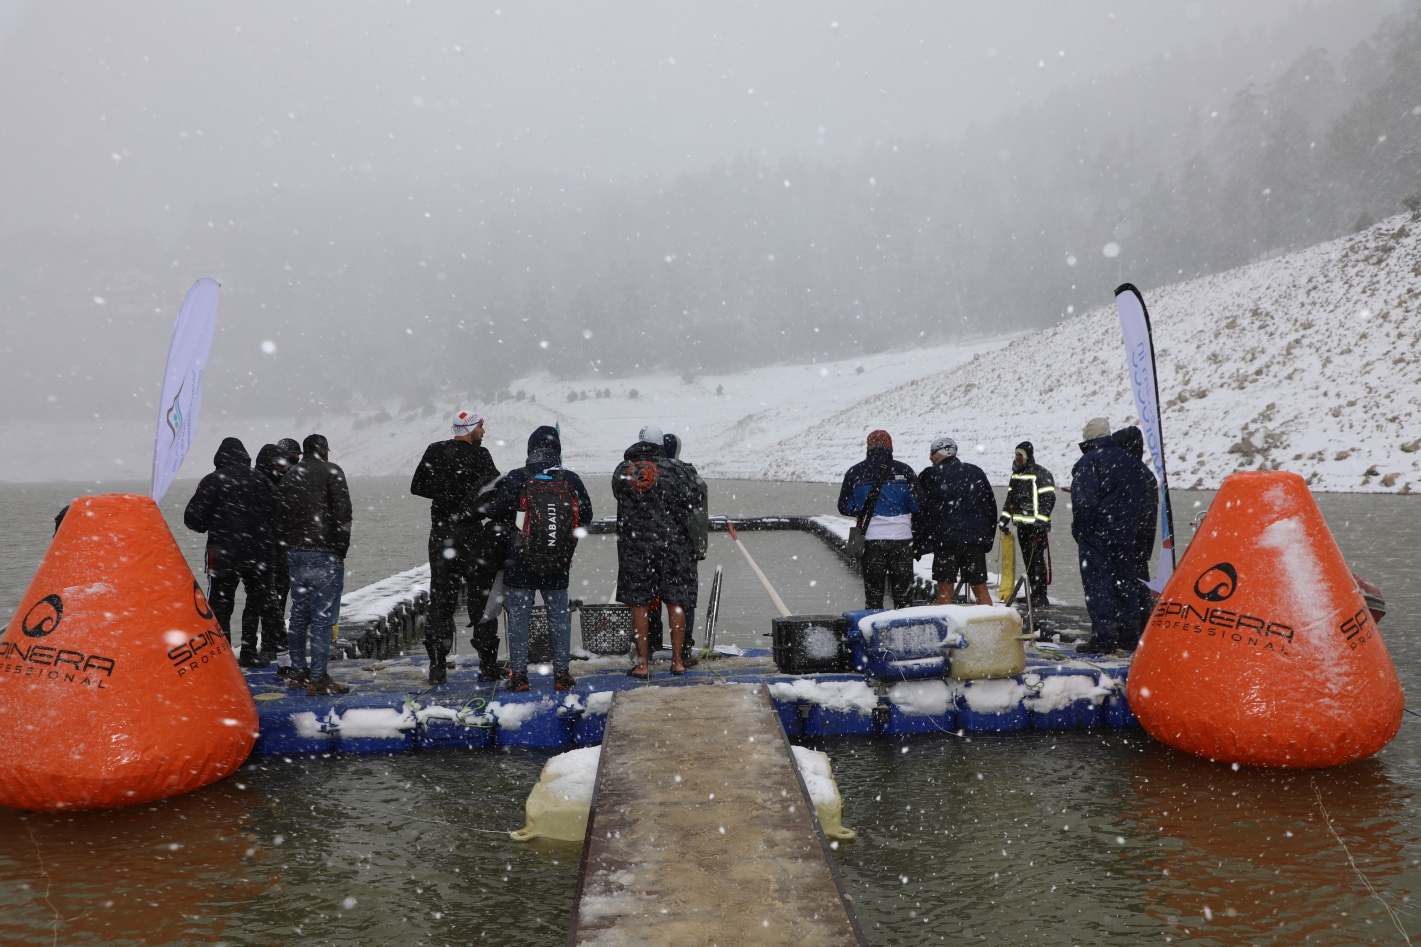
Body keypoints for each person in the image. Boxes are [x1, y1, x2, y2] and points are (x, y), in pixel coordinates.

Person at [483, 426, 593, 692]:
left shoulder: (518, 477)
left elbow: (496, 512)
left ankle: (519, 675)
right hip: (557, 558)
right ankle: (561, 674)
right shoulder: (570, 478)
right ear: (557, 449)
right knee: (558, 618)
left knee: (520, 618)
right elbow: (586, 516)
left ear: (530, 449)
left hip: (521, 558)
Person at [410, 410, 502, 685]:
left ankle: (437, 666)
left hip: (441, 535)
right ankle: (487, 666)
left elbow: (417, 486)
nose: (484, 433)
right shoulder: (481, 456)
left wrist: (445, 495)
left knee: (440, 599)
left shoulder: (435, 450)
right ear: (471, 429)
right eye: (481, 428)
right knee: (481, 600)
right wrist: (469, 506)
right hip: (472, 534)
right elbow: (495, 492)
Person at [183, 437, 277, 668]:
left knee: (221, 605)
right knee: (255, 603)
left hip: (224, 556)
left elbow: (193, 520)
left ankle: (223, 656)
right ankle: (248, 650)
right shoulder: (261, 479)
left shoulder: (213, 481)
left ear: (220, 458)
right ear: (244, 456)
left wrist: (213, 524)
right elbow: (278, 514)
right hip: (259, 555)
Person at [614, 424, 700, 678]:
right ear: (662, 444)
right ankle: (678, 661)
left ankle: (642, 664)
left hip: (636, 548)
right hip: (674, 546)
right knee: (676, 601)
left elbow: (620, 496)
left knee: (639, 604)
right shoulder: (678, 469)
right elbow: (695, 500)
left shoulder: (622, 470)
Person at [276, 433, 353, 695]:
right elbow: (343, 513)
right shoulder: (332, 471)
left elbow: (281, 516)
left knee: (298, 615)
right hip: (324, 553)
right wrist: (341, 549)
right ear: (324, 452)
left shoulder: (289, 476)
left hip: (296, 554)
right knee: (321, 619)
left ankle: (298, 672)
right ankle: (318, 678)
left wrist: (290, 545)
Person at [1070, 418, 1147, 654]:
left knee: (1098, 585)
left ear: (1089, 437)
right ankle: (1129, 636)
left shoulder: (1089, 461)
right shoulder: (1131, 462)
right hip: (1126, 535)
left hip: (1098, 535)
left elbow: (1084, 504)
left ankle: (1103, 638)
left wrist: (1081, 530)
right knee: (1126, 585)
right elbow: (1141, 500)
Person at [837, 430, 922, 610]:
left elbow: (844, 507)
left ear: (868, 447)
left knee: (874, 595)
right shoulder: (904, 470)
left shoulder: (855, 471)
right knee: (903, 595)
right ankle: (904, 632)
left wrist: (864, 509)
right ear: (890, 447)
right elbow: (918, 505)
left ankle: (874, 632)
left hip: (871, 539)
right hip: (902, 539)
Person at [644, 432, 708, 666]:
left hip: (648, 547)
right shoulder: (688, 474)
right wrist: (698, 546)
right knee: (682, 600)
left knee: (650, 598)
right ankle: (682, 651)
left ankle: (649, 647)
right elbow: (698, 515)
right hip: (681, 548)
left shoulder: (647, 473)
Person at [913, 437, 997, 606]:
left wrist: (919, 544)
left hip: (946, 541)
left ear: (943, 451)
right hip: (974, 541)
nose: (930, 457)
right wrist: (986, 539)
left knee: (945, 588)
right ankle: (991, 627)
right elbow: (990, 508)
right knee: (980, 587)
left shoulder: (929, 475)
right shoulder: (975, 472)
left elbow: (920, 512)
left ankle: (947, 628)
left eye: (932, 452)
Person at [253, 440, 299, 679]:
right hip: (275, 548)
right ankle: (272, 645)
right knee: (271, 599)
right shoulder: (276, 481)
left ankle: (263, 644)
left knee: (268, 599)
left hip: (268, 549)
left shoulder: (266, 479)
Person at [1112, 425, 1160, 635]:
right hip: (1143, 537)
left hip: (1130, 537)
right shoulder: (1146, 473)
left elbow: (1125, 507)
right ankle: (1140, 624)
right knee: (1139, 581)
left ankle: (1129, 629)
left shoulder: (1130, 473)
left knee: (1127, 584)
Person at [998, 440, 1056, 608]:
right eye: (1016, 454)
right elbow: (1010, 500)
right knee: (1028, 561)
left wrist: (1041, 522)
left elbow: (1048, 499)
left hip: (1036, 528)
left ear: (1028, 456)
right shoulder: (1016, 475)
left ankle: (1041, 596)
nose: (1017, 458)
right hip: (1022, 526)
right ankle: (1033, 593)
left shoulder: (1040, 474)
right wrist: (1004, 519)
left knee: (1037, 561)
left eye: (1020, 455)